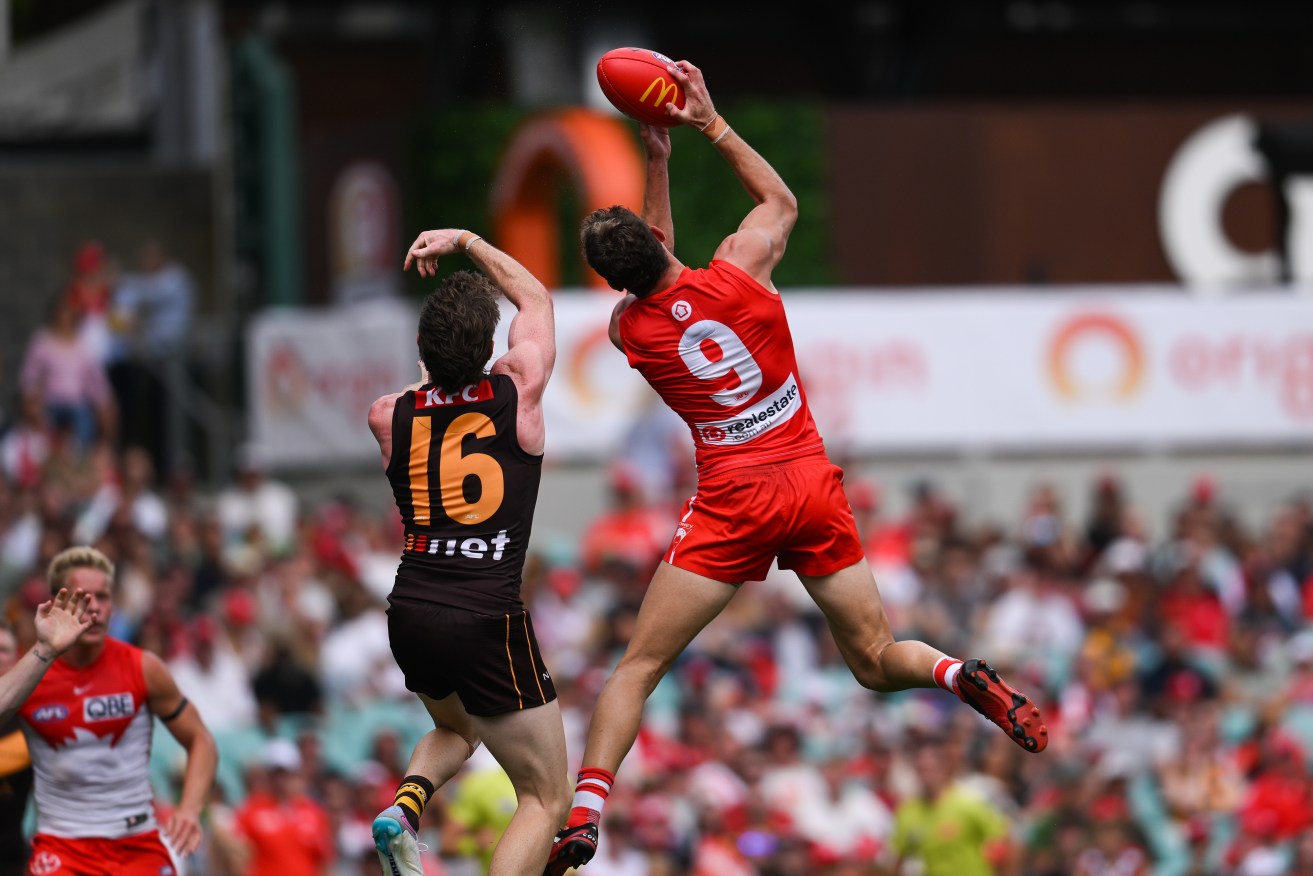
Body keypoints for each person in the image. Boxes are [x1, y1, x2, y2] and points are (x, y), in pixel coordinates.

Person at [545, 58, 1048, 873]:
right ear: (661, 246)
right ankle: (956, 673)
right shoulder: (740, 271)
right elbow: (780, 201)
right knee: (878, 659)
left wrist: (653, 165)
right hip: (809, 483)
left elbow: (650, 275)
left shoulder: (627, 333)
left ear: (613, 280)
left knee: (637, 667)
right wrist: (701, 127)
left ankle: (587, 808)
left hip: (733, 498)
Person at [366, 227, 570, 876]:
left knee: (458, 730)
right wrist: (467, 241)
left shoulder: (386, 414)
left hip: (411, 610)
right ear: (490, 349)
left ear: (421, 348)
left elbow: (419, 397)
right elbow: (535, 299)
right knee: (545, 797)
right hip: (485, 617)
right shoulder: (519, 391)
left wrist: (434, 368)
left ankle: (404, 808)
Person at [17, 546, 218, 875]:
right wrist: (41, 651)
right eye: (83, 597)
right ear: (56, 603)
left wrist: (190, 809)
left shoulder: (143, 668)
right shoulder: (30, 675)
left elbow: (201, 740)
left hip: (137, 844)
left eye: (104, 596)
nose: (95, 607)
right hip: (62, 847)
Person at [0, 594, 94, 876]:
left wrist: (45, 650)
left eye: (4, 649)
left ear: (17, 657)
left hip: (11, 860)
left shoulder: (35, 717)